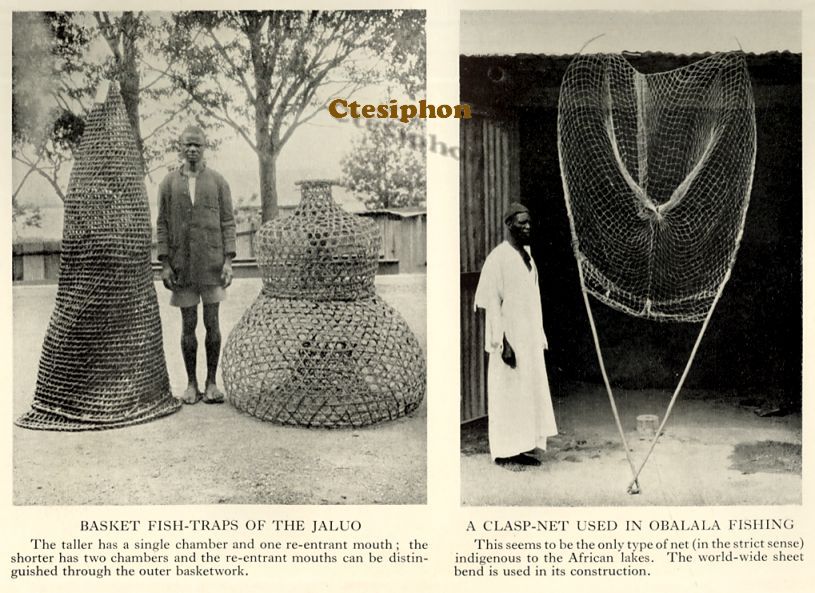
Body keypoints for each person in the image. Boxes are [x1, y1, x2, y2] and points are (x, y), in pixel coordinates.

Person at [156, 125, 236, 405]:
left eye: (197, 145)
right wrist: (165, 264)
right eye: (187, 145)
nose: (192, 150)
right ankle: (191, 384)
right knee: (188, 326)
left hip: (212, 266)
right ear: (180, 148)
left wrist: (228, 261)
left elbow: (228, 222)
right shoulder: (168, 184)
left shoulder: (218, 181)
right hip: (182, 267)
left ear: (205, 148)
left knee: (212, 324)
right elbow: (162, 225)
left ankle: (212, 384)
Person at [474, 202, 558, 467]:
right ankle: (504, 452)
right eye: (521, 223)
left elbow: (533, 300)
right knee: (508, 393)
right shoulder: (497, 258)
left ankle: (521, 447)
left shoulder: (528, 258)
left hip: (528, 338)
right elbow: (491, 303)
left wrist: (538, 334)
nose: (527, 227)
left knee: (526, 393)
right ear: (509, 224)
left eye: (529, 222)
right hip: (509, 340)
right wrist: (502, 343)